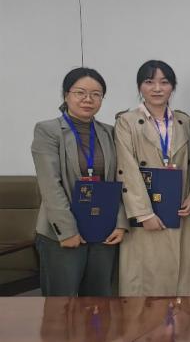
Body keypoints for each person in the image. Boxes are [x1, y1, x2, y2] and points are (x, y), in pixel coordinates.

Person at [31, 67, 127, 295]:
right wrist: (67, 231)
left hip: (103, 230)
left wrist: (121, 223)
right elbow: (50, 185)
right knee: (61, 305)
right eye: (80, 92)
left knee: (98, 303)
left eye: (96, 94)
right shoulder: (48, 130)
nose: (88, 99)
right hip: (62, 234)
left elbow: (121, 180)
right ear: (66, 95)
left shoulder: (110, 132)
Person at [115, 60, 190, 296]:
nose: (157, 88)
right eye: (149, 82)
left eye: (164, 82)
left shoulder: (184, 122)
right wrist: (144, 214)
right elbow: (126, 170)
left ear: (172, 87)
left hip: (179, 212)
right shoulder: (127, 122)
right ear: (140, 86)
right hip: (145, 216)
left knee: (184, 284)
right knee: (148, 284)